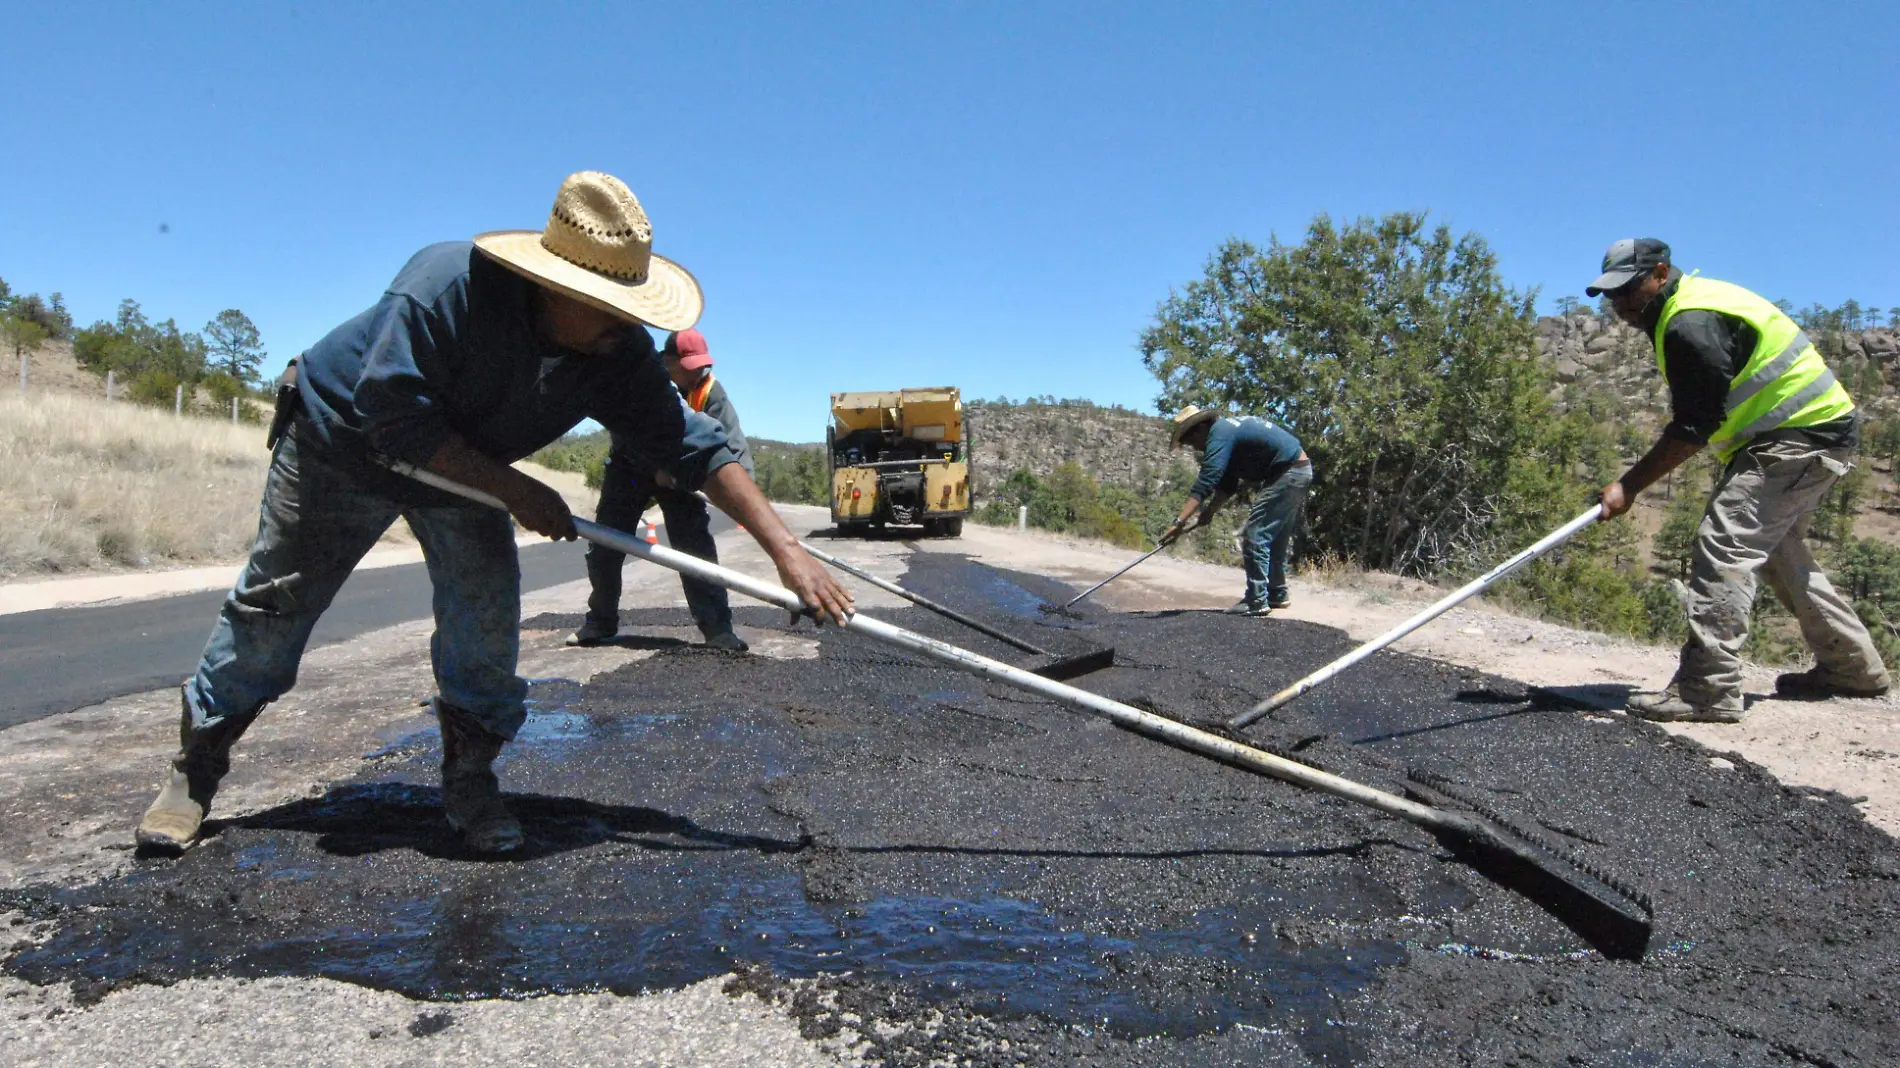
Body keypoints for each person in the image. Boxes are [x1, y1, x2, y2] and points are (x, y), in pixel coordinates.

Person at [135, 171, 853, 857]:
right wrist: (516, 490)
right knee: (275, 607)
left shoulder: (613, 348)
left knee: (484, 618)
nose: (627, 325)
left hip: (461, 473)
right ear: (551, 287)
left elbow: (690, 446)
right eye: (609, 306)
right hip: (341, 444)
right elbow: (390, 414)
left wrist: (786, 552)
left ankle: (470, 779)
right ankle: (195, 769)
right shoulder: (444, 286)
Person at [1589, 237, 1890, 723]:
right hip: (1809, 433)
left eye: (1628, 289)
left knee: (1724, 544)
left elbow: (1693, 427)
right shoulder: (1684, 309)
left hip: (1801, 436)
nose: (1619, 303)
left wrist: (1628, 486)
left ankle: (1708, 689)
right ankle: (1852, 668)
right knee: (1774, 550)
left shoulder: (1690, 322)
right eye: (1611, 294)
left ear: (1660, 274)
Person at [571, 328, 753, 651]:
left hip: (680, 472)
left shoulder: (710, 391)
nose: (698, 372)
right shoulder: (640, 374)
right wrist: (656, 469)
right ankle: (599, 621)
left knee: (695, 548)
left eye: (701, 365)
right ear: (668, 363)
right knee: (604, 544)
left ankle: (718, 629)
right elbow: (622, 427)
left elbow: (734, 449)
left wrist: (746, 502)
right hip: (630, 465)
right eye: (690, 366)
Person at [1162, 405, 1312, 616]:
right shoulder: (1226, 435)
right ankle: (1277, 594)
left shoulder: (1219, 433)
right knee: (1276, 536)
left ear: (1199, 429)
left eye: (1190, 441)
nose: (1194, 448)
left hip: (1289, 471)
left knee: (1255, 533)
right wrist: (1208, 513)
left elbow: (1207, 480)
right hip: (1298, 470)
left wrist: (1178, 523)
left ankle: (1256, 600)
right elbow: (1227, 485)